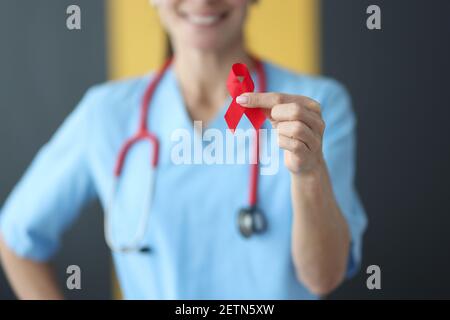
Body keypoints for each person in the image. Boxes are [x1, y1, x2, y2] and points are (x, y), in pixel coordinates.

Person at [0, 0, 367, 299]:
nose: (204, 1)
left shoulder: (313, 107)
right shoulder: (107, 114)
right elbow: (14, 239)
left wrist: (309, 172)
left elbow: (323, 278)